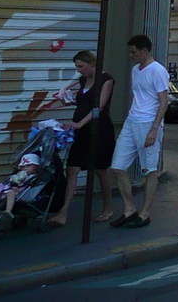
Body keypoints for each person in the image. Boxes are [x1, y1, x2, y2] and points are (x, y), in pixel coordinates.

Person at [47, 50, 115, 226]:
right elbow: (83, 101)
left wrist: (80, 123)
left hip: (98, 129)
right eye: (77, 67)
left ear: (92, 64)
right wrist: (67, 101)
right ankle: (63, 213)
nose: (79, 71)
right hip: (81, 129)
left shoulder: (106, 79)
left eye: (81, 67)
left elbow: (98, 107)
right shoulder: (83, 80)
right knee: (72, 169)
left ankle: (108, 208)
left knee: (100, 170)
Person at [110, 35, 170, 229]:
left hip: (148, 123)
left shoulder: (158, 71)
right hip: (132, 120)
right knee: (118, 167)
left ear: (145, 51)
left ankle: (145, 214)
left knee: (149, 170)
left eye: (133, 52)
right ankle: (129, 209)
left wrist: (154, 129)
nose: (131, 55)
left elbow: (163, 101)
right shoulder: (136, 70)